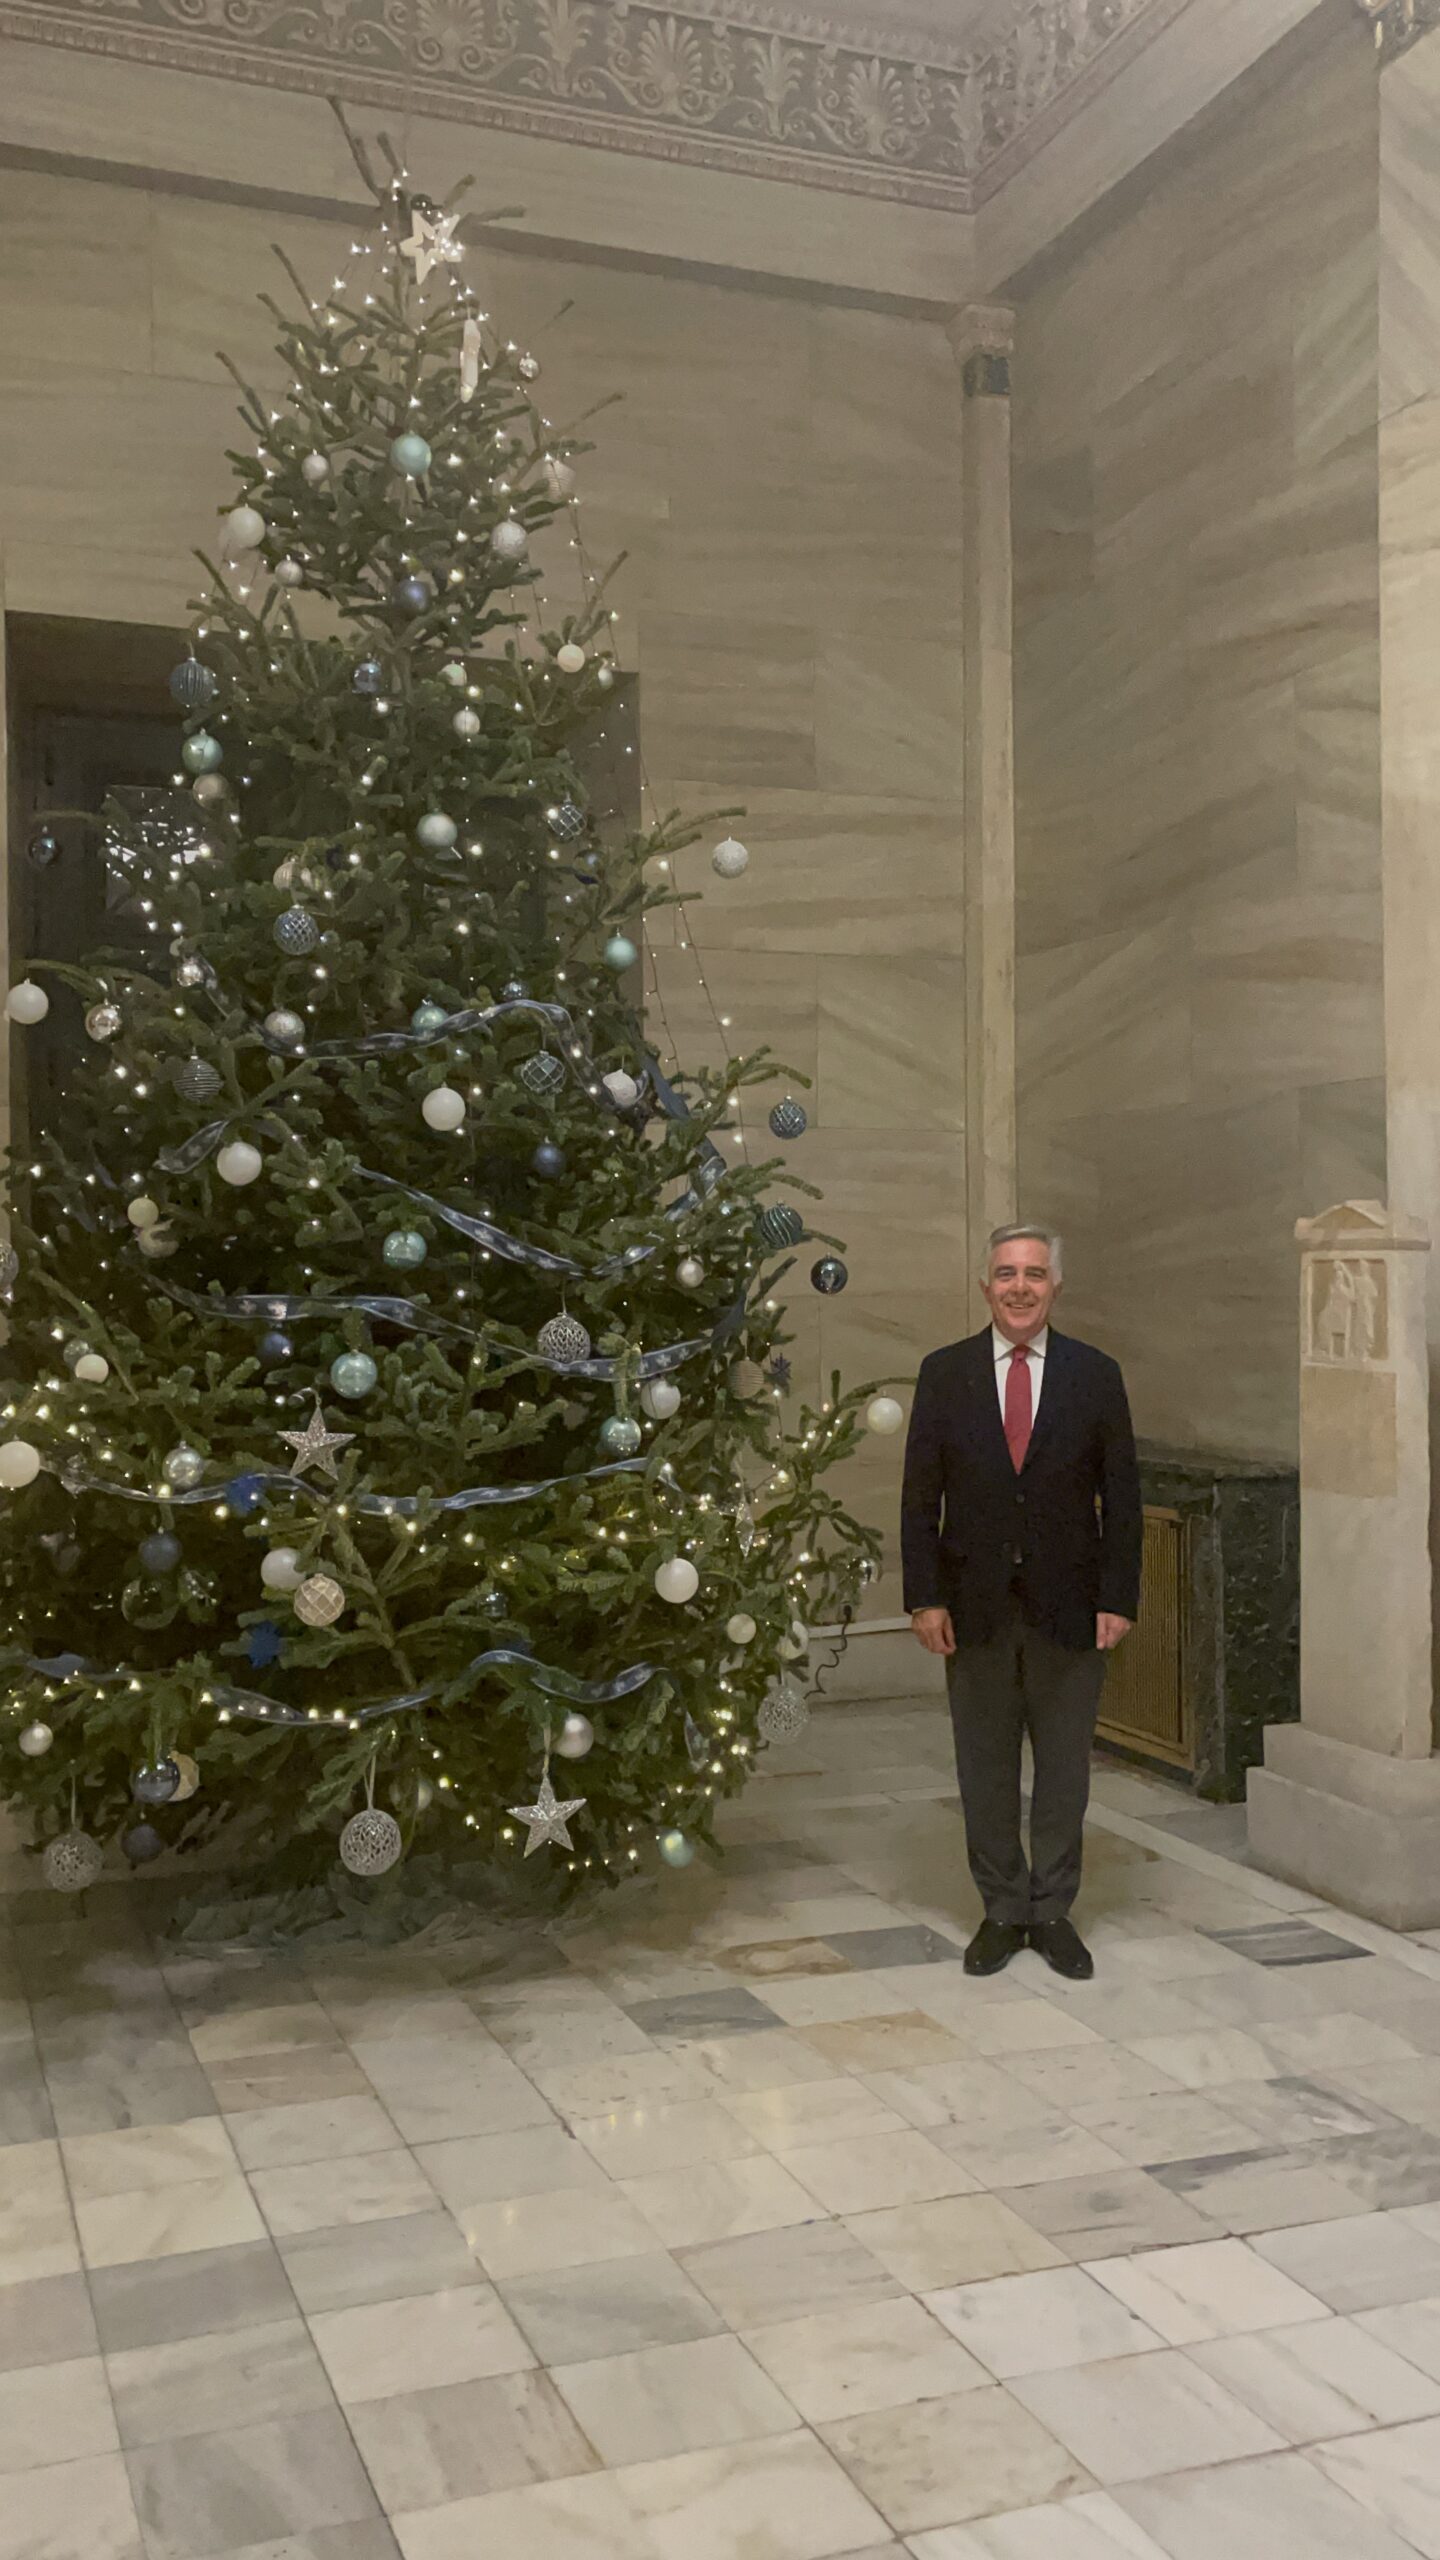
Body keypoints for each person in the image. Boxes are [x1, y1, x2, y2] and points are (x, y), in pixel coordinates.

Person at [901, 1225, 1141, 1981]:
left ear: (1055, 1286)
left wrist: (1118, 1596)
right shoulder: (944, 1374)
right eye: (1006, 1273)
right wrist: (924, 1598)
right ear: (985, 1286)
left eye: (1034, 1273)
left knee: (1065, 1771)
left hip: (1070, 1607)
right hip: (971, 1607)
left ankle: (1053, 1911)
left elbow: (1123, 1499)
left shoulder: (1095, 1375)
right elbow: (919, 1499)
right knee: (985, 1767)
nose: (1020, 1287)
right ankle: (1004, 1908)